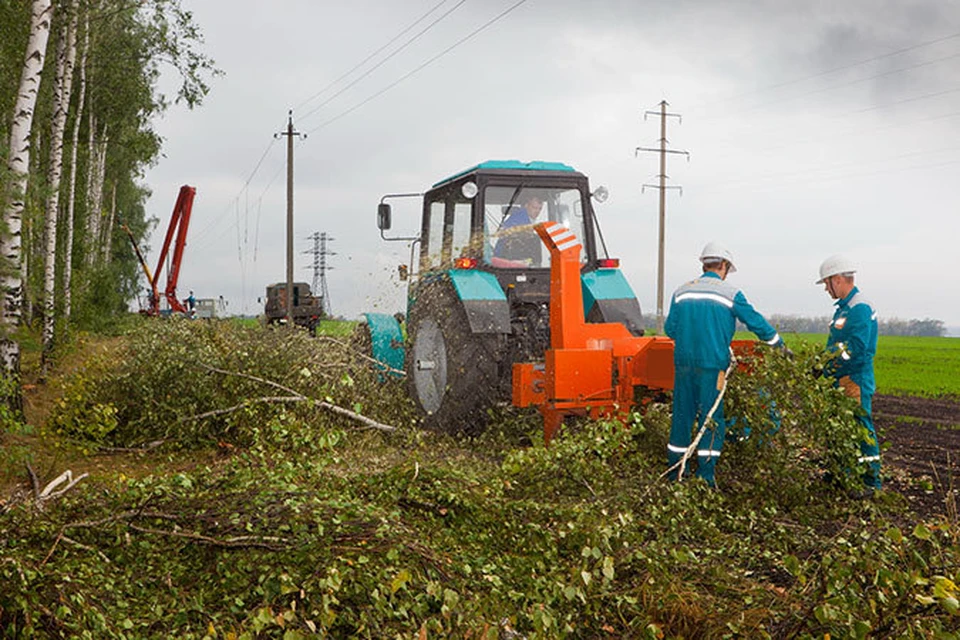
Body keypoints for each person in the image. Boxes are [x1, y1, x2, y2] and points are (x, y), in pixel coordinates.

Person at [664, 242, 786, 487]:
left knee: (682, 416)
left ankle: (675, 470)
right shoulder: (731, 294)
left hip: (683, 364)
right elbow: (755, 322)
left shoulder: (681, 291)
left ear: (704, 263)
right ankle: (705, 476)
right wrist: (778, 344)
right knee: (711, 418)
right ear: (724, 266)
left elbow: (670, 329)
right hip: (713, 366)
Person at [816, 254, 880, 494]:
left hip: (854, 378)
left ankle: (870, 482)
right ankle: (840, 473)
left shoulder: (859, 307)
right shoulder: (843, 309)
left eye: (826, 283)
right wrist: (821, 362)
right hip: (839, 377)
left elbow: (857, 347)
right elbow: (836, 343)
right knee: (838, 426)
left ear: (838, 279)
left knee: (860, 427)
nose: (825, 288)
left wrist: (828, 362)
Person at [493, 194, 544, 266]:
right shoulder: (521, 220)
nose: (537, 211)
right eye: (534, 208)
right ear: (526, 206)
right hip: (507, 259)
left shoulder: (521, 217)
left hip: (503, 257)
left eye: (540, 209)